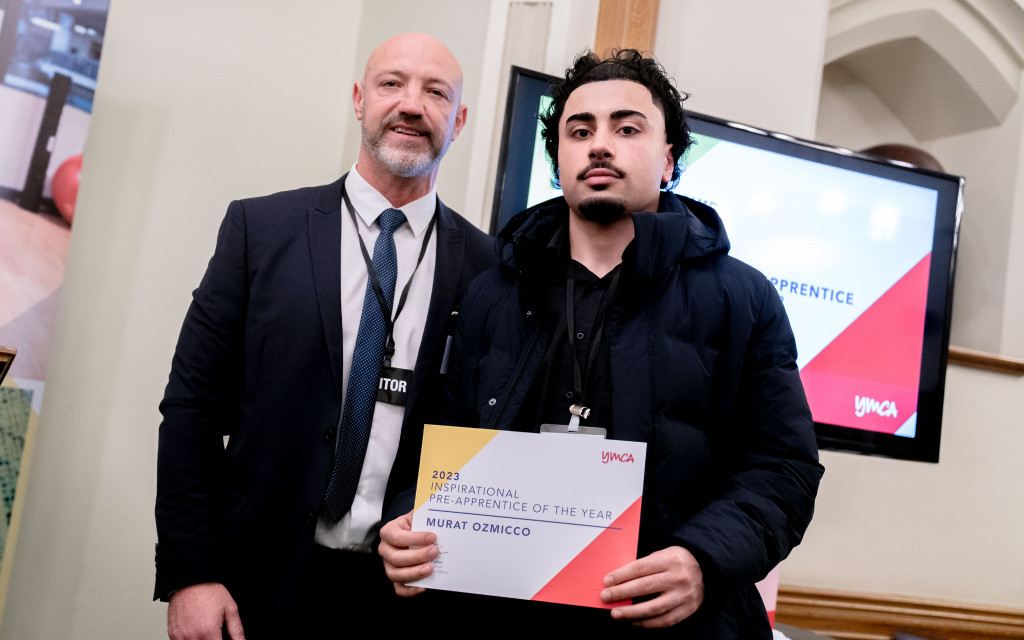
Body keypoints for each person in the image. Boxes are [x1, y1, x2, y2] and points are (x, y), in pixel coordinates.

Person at [379, 49, 824, 636]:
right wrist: (408, 522)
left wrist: (704, 560)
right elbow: (441, 438)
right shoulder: (494, 292)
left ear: (668, 161)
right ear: (558, 158)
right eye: (580, 130)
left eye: (627, 128)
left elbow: (783, 467)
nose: (600, 144)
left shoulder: (743, 298)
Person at [155, 33, 496, 640]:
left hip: (404, 595)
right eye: (392, 84)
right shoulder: (258, 231)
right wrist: (190, 574)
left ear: (460, 119)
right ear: (360, 100)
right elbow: (192, 411)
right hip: (248, 584)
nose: (412, 105)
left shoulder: (490, 270)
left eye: (436, 91)